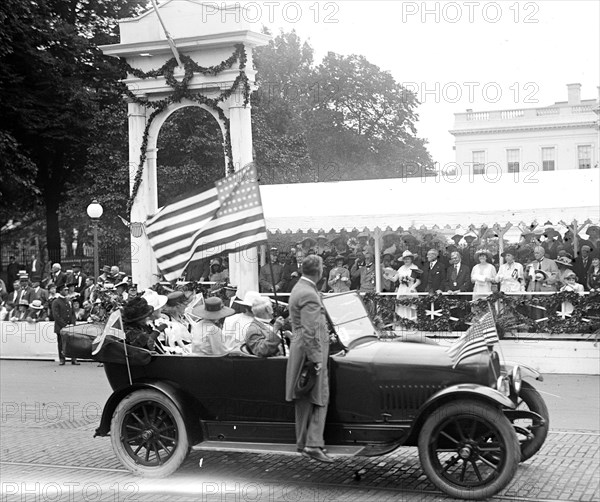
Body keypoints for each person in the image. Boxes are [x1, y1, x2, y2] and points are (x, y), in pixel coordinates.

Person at [285, 255, 333, 464]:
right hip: (310, 351)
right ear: (319, 271)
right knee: (319, 396)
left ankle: (305, 442)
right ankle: (312, 444)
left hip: (302, 348)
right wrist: (317, 359)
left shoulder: (300, 288)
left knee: (305, 399)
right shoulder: (309, 294)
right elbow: (311, 330)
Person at [51, 284, 78, 365]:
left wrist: (73, 323)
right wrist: (64, 325)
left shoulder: (69, 301)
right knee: (61, 343)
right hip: (61, 326)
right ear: (60, 291)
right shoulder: (56, 301)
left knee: (73, 343)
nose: (67, 291)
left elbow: (72, 313)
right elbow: (56, 315)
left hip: (70, 325)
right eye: (65, 290)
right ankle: (62, 358)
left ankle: (74, 359)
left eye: (67, 290)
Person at [392, 250, 421, 323]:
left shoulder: (414, 267)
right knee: (401, 308)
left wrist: (413, 287)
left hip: (410, 290)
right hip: (401, 290)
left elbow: (418, 280)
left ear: (411, 259)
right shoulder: (401, 268)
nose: (406, 260)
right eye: (405, 259)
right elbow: (394, 279)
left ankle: (412, 326)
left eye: (408, 259)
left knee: (410, 307)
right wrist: (387, 276)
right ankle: (401, 327)